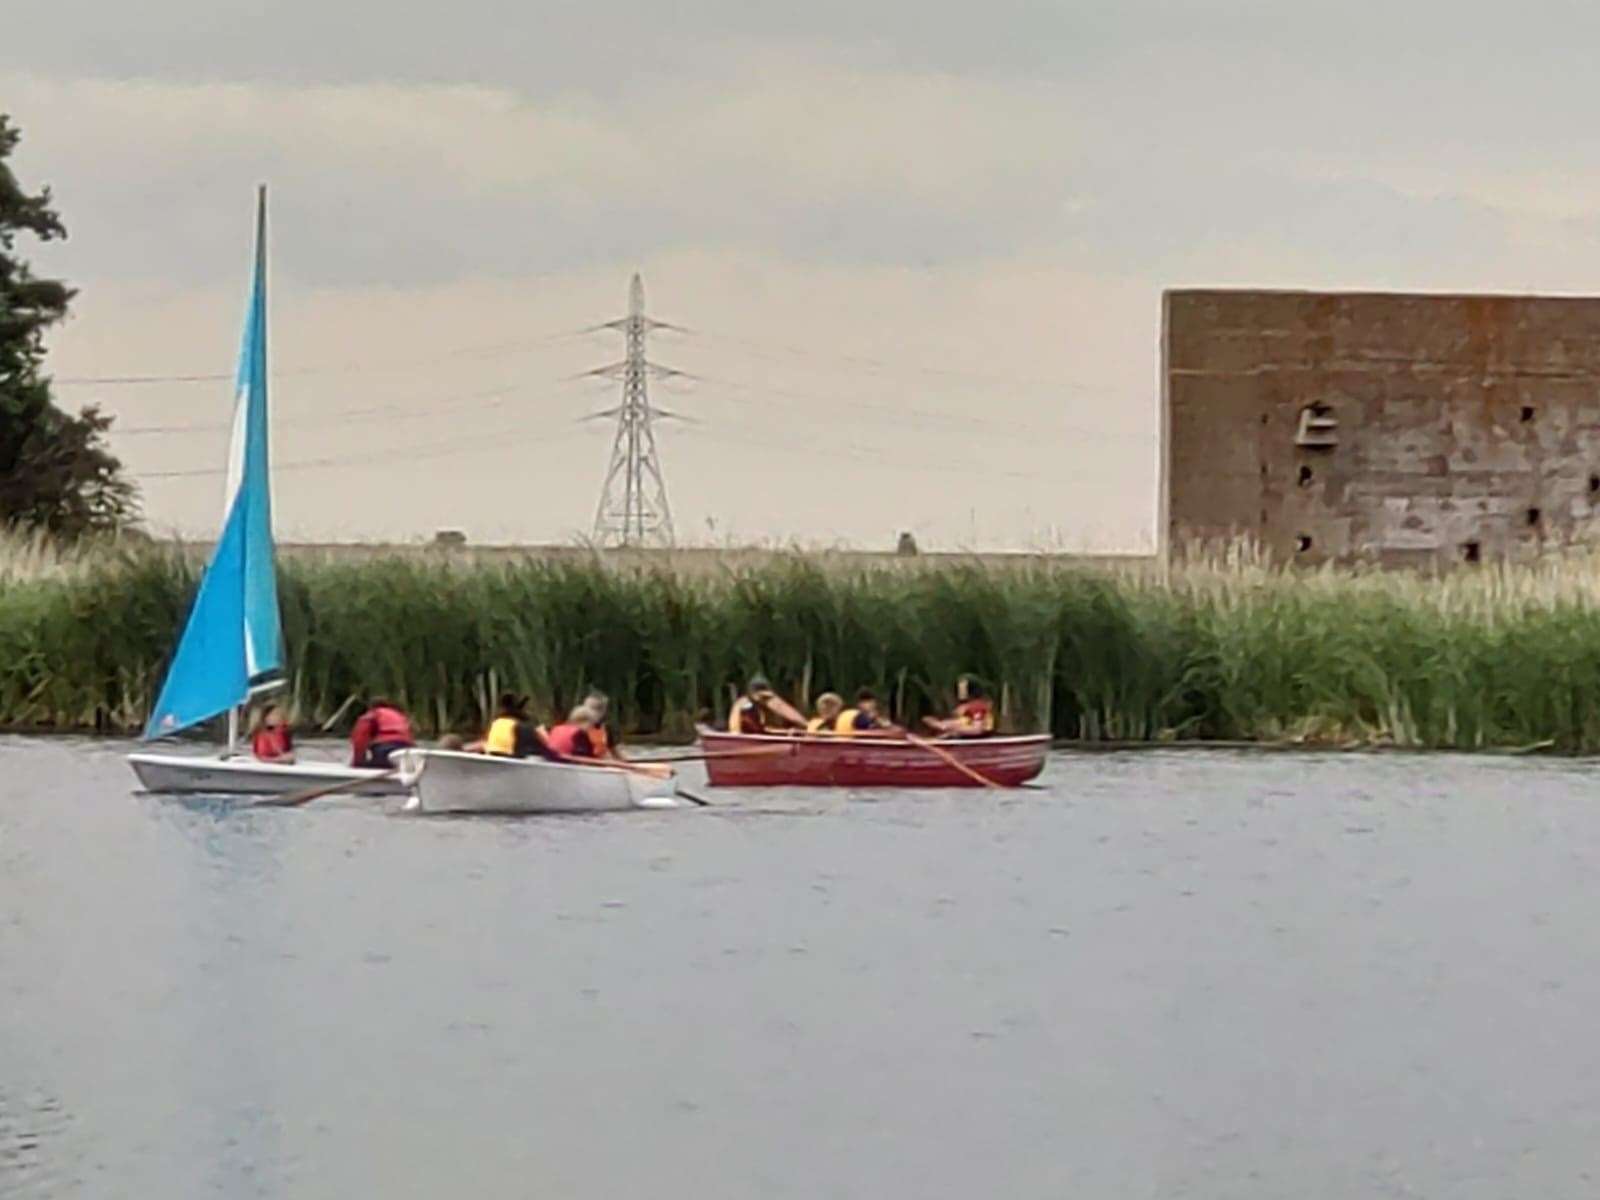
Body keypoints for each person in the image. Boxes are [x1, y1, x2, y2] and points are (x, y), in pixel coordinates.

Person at [481, 692, 555, 760]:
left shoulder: (496, 722)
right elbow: (548, 743)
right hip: (511, 758)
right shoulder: (523, 725)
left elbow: (486, 744)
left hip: (492, 756)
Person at [349, 697, 416, 768]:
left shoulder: (372, 714)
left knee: (369, 764)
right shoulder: (399, 715)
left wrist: (357, 762)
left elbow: (360, 738)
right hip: (407, 750)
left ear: (371, 707)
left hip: (386, 749)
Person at [728, 675, 807, 734]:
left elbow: (763, 729)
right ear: (753, 694)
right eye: (763, 697)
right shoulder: (744, 705)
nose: (766, 700)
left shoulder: (760, 707)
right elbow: (736, 730)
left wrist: (788, 732)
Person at [923, 676, 997, 738]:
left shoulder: (977, 707)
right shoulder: (970, 708)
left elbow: (977, 729)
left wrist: (946, 727)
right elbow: (962, 722)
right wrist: (941, 725)